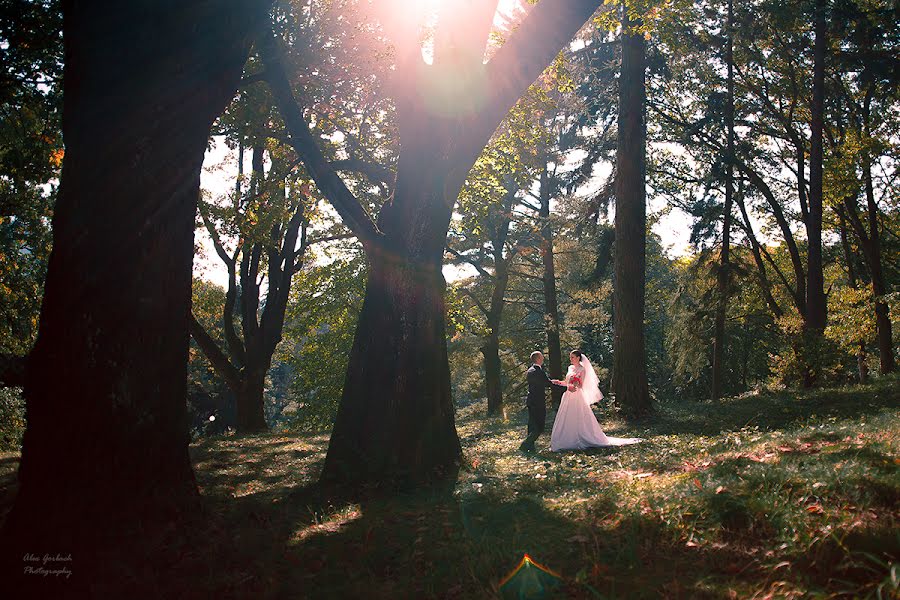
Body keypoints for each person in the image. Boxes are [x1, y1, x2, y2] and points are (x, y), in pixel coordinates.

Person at [550, 350, 642, 451]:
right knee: (567, 416)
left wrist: (575, 382)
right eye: (570, 357)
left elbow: (581, 385)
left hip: (577, 395)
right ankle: (566, 438)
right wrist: (559, 382)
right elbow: (566, 382)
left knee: (579, 416)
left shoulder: (582, 369)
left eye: (572, 357)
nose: (570, 359)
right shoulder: (570, 368)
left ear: (578, 358)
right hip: (568, 394)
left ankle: (581, 436)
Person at [519, 351, 567, 453]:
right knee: (540, 426)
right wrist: (566, 388)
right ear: (538, 359)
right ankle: (524, 445)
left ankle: (530, 448)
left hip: (531, 401)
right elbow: (547, 384)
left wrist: (554, 381)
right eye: (542, 357)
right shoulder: (538, 371)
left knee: (532, 425)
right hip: (537, 402)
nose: (543, 359)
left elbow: (544, 382)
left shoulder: (531, 370)